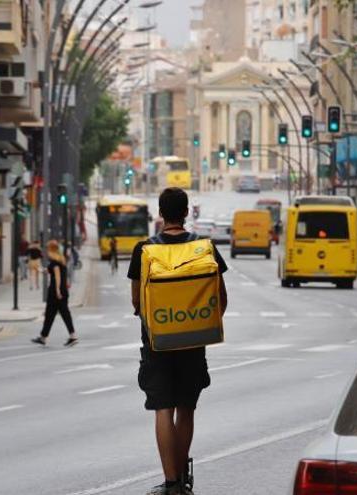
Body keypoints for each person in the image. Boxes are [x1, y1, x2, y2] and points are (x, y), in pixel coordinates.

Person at [128, 187, 228, 495]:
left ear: (160, 213)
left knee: (163, 410)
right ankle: (183, 479)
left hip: (157, 344)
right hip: (193, 341)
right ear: (186, 213)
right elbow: (221, 299)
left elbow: (136, 302)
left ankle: (171, 483)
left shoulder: (145, 249)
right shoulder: (204, 247)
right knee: (186, 408)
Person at [31, 240, 79, 347]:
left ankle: (72, 336)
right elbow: (49, 271)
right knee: (52, 314)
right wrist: (39, 269)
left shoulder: (55, 262)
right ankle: (44, 337)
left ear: (51, 249)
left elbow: (57, 275)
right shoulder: (60, 260)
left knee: (56, 314)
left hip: (56, 292)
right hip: (61, 291)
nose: (46, 251)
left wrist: (57, 290)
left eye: (47, 249)